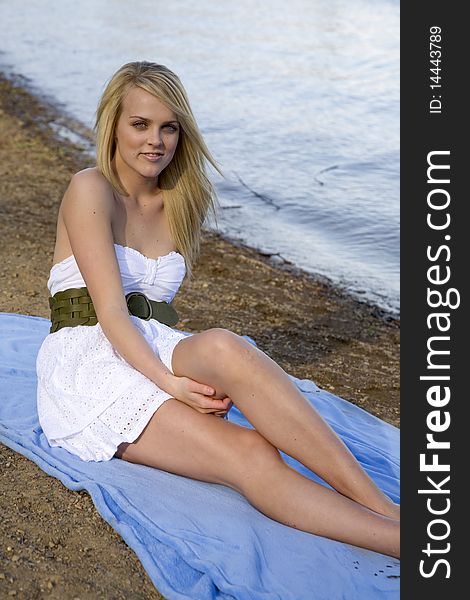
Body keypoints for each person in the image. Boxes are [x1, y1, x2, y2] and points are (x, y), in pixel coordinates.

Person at [36, 61, 400, 559]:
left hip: (148, 347)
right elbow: (112, 315)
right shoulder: (90, 189)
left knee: (227, 346)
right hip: (88, 361)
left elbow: (155, 314)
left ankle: (382, 506)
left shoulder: (179, 201)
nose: (155, 141)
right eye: (140, 124)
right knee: (250, 451)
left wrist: (185, 374)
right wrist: (174, 388)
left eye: (168, 127)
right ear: (113, 126)